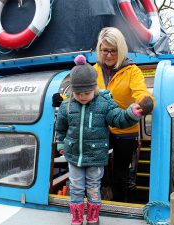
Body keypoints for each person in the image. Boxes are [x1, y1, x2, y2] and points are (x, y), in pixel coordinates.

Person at [55, 55, 143, 225]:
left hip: (95, 156)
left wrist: (131, 114)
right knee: (76, 187)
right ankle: (77, 217)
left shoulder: (104, 103)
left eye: (86, 93)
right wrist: (60, 143)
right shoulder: (67, 105)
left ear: (94, 87)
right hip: (74, 155)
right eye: (78, 93)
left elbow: (118, 118)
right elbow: (61, 127)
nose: (82, 97)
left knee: (93, 187)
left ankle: (93, 217)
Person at [93, 27, 155, 202]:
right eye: (105, 50)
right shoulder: (94, 70)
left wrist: (146, 101)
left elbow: (141, 91)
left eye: (114, 51)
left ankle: (120, 203)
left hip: (125, 128)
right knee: (98, 168)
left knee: (121, 172)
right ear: (100, 50)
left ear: (121, 50)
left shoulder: (132, 71)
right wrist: (63, 98)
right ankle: (102, 196)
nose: (109, 55)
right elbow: (82, 90)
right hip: (101, 127)